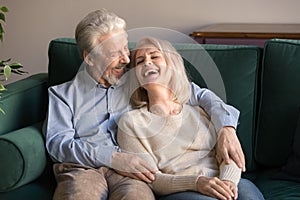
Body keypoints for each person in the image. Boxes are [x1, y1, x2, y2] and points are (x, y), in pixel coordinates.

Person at [44, 9, 245, 200]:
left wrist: (226, 128)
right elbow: (58, 144)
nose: (125, 59)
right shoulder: (63, 95)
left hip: (134, 173)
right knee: (79, 195)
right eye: (114, 54)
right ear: (90, 58)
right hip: (83, 168)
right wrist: (112, 158)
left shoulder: (139, 81)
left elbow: (200, 95)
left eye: (125, 48)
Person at [117, 36, 264, 200]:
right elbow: (152, 179)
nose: (147, 62)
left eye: (155, 56)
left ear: (172, 66)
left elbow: (230, 154)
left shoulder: (200, 110)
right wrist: (197, 183)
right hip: (181, 190)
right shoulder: (131, 123)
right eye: (140, 61)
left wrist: (228, 182)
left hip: (224, 180)